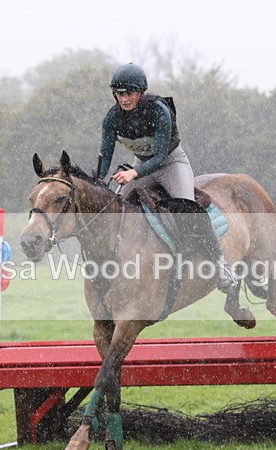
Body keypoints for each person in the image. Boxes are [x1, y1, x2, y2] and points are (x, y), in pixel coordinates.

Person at [99, 62, 235, 292]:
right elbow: (105, 157)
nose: (124, 99)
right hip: (142, 164)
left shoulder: (158, 110)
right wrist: (99, 181)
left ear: (141, 92)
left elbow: (161, 157)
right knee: (119, 208)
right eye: (119, 93)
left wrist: (133, 173)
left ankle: (221, 265)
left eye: (129, 93)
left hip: (171, 163)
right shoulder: (112, 118)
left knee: (187, 209)